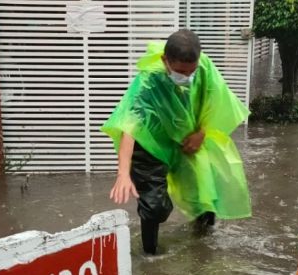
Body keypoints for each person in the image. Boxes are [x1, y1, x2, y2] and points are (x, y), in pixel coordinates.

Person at [101, 29, 252, 255]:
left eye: (191, 71)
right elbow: (129, 126)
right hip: (151, 142)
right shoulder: (148, 81)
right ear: (165, 61)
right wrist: (123, 173)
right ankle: (150, 257)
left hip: (187, 137)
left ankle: (203, 246)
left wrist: (201, 132)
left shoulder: (204, 67)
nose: (187, 77)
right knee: (155, 208)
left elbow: (216, 100)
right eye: (181, 72)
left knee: (204, 191)